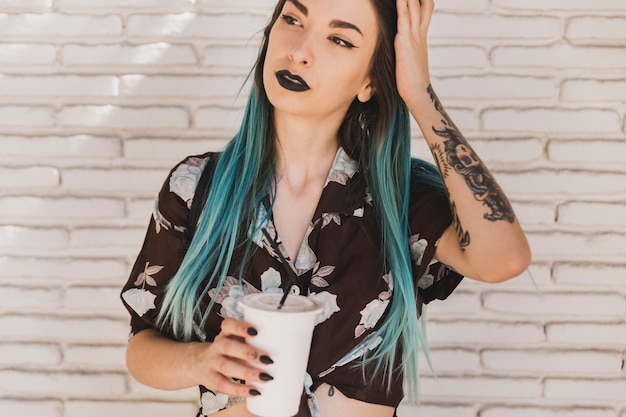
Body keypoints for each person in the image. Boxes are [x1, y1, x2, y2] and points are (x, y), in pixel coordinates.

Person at [120, 0, 531, 416]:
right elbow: (141, 346)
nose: (299, 50)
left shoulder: (399, 196)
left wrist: (419, 95)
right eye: (293, 20)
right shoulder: (197, 186)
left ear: (370, 81)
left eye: (339, 38)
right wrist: (201, 362)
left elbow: (503, 259)